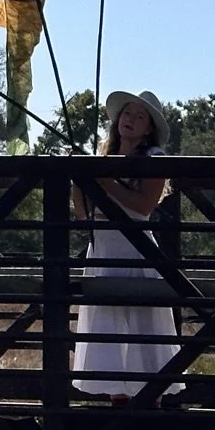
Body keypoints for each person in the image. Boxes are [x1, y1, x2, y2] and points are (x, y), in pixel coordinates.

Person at [72, 90, 179, 412]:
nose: (130, 120)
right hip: (103, 248)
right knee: (110, 333)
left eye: (139, 116)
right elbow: (83, 214)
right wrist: (79, 180)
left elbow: (144, 205)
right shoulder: (104, 155)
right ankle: (118, 414)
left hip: (135, 248)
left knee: (143, 333)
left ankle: (149, 415)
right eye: (127, 114)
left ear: (149, 128)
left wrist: (105, 181)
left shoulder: (154, 158)